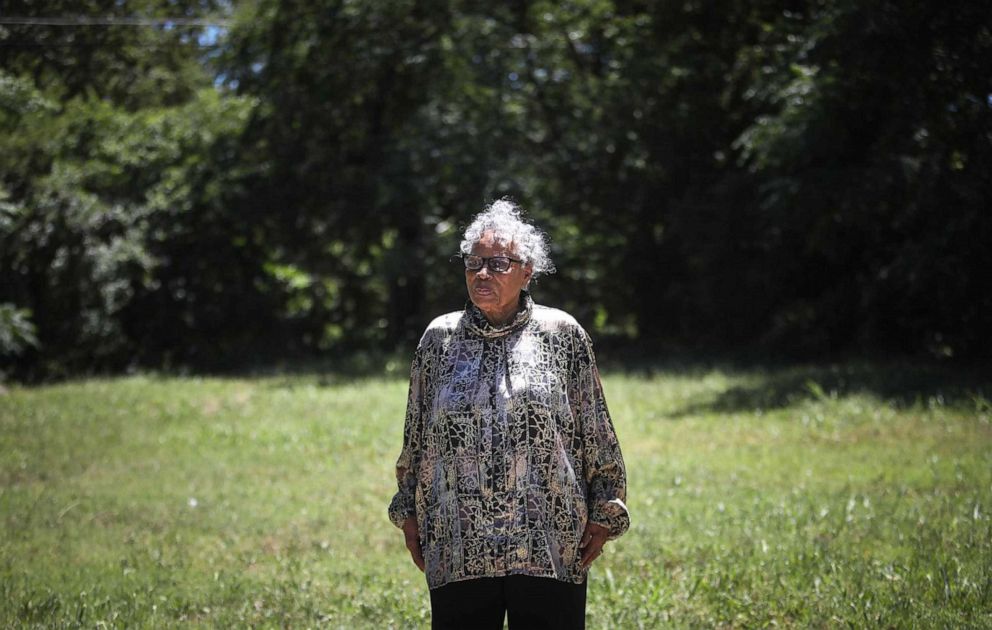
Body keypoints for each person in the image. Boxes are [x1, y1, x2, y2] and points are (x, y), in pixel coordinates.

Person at [388, 199, 629, 630]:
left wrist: (605, 509)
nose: (482, 274)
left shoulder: (563, 335)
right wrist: (408, 512)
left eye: (497, 264)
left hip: (549, 541)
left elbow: (596, 431)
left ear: (527, 270)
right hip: (458, 541)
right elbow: (417, 435)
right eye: (473, 263)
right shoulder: (437, 339)